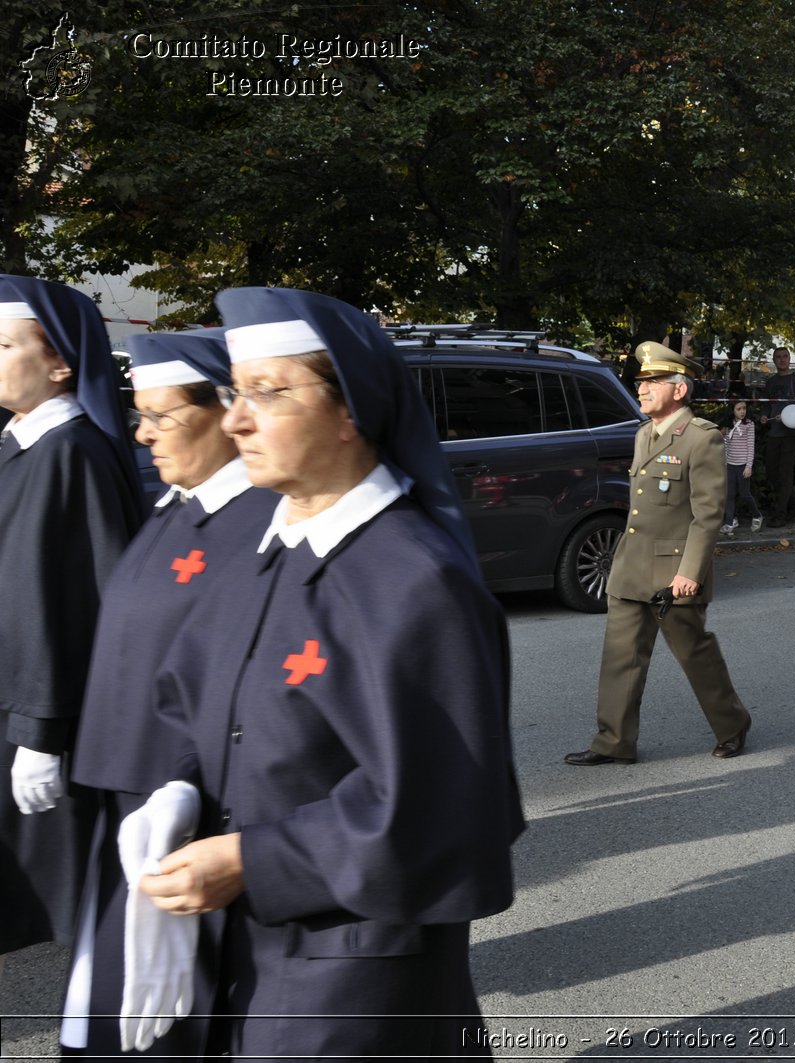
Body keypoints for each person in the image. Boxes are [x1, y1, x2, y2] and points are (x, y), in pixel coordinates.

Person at [125, 287, 524, 1056]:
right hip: (251, 948)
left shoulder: (414, 580)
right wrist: (176, 788)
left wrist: (250, 859)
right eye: (236, 393)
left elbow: (442, 807)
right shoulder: (263, 550)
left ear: (352, 412)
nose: (237, 418)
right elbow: (190, 694)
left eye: (269, 393)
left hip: (357, 977)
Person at [64, 329, 279, 1057]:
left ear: (225, 411)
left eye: (162, 415)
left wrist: (181, 786)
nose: (142, 432)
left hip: (184, 800)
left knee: (166, 1016)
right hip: (130, 789)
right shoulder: (180, 502)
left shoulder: (257, 521)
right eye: (140, 413)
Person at [0, 276, 144, 990]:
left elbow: (86, 605)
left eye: (4, 344)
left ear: (59, 362)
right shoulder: (17, 442)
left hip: (36, 719)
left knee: (93, 902)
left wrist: (40, 731)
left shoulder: (75, 453)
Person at [566, 343, 751, 765]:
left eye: (652, 383)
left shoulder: (701, 439)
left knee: (693, 653)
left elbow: (708, 515)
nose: (642, 389)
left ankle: (732, 723)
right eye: (641, 382)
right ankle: (614, 742)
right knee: (620, 659)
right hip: (631, 566)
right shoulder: (642, 434)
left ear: (679, 390)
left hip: (673, 574)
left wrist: (690, 572)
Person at [759, 346, 795, 527]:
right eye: (778, 357)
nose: (782, 359)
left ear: (790, 358)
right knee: (772, 472)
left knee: (785, 473)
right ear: (774, 360)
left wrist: (789, 418)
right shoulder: (771, 382)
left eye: (785, 356)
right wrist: (765, 415)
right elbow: (766, 405)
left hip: (792, 434)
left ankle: (780, 514)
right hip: (774, 432)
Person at [720, 398, 762, 536]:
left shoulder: (749, 425)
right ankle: (730, 522)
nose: (742, 411)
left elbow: (751, 447)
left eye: (744, 408)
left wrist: (748, 466)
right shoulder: (728, 426)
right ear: (733, 410)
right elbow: (726, 446)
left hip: (743, 465)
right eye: (739, 409)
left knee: (745, 494)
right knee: (729, 494)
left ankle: (757, 515)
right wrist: (725, 463)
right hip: (730, 465)